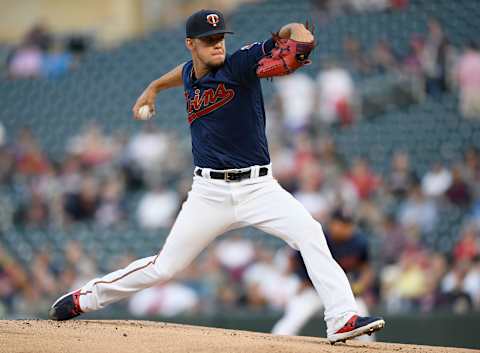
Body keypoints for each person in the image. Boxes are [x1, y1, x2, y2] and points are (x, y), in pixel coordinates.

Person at [48, 9, 384, 344]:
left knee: (310, 233)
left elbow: (299, 37)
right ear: (190, 44)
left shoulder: (239, 64)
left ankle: (340, 317)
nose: (217, 44)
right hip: (209, 193)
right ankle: (85, 298)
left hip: (259, 188)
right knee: (164, 267)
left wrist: (290, 29)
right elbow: (179, 74)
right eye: (209, 40)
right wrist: (152, 88)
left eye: (220, 38)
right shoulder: (190, 74)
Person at [272, 209, 376, 341]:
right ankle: (273, 345)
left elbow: (367, 269)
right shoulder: (318, 236)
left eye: (348, 224)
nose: (344, 228)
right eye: (341, 224)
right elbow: (294, 260)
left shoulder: (359, 242)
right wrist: (303, 280)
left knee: (363, 323)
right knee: (292, 320)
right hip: (312, 288)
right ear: (332, 223)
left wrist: (359, 286)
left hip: (341, 290)